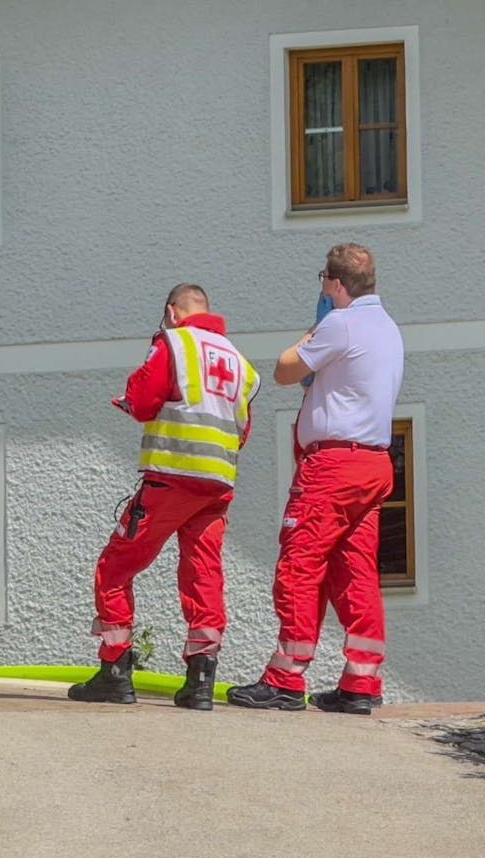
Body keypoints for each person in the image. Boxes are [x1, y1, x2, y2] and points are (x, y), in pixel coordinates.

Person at [227, 243, 404, 715]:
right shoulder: (388, 328)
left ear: (336, 284)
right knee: (356, 570)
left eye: (324, 280)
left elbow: (285, 371)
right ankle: (361, 683)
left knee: (299, 562)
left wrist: (313, 329)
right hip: (373, 464)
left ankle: (286, 678)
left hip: (332, 468)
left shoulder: (339, 324)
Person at [69, 284, 260, 710]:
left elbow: (143, 402)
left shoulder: (172, 343)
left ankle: (115, 670)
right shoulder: (241, 364)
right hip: (217, 484)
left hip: (173, 476)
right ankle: (201, 681)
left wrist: (132, 400)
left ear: (173, 312)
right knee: (203, 573)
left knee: (116, 564)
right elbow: (242, 431)